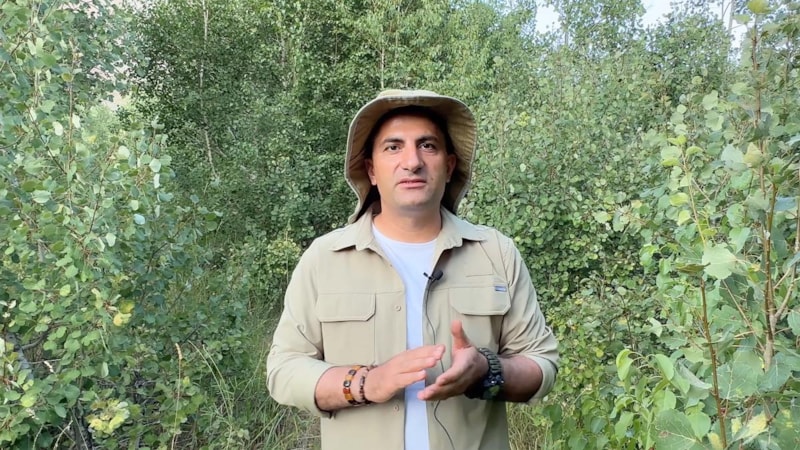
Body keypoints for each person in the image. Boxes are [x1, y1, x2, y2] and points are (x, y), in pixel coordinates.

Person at [266, 89, 559, 450]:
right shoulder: (324, 258)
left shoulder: (496, 253)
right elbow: (284, 369)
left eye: (427, 146)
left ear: (449, 166)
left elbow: (542, 364)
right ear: (371, 170)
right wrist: (367, 383)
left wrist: (486, 371)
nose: (412, 161)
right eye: (393, 147)